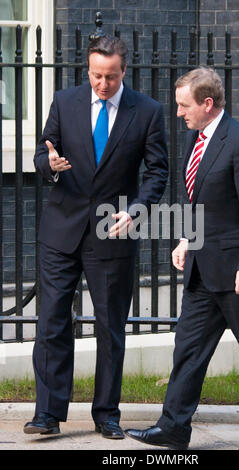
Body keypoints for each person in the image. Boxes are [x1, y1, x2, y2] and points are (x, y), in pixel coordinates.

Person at [125, 67, 239, 451]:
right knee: (188, 347)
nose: (179, 112)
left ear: (207, 103)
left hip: (237, 272)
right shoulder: (196, 139)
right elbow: (199, 201)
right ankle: (173, 426)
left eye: (184, 105)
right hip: (203, 268)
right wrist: (186, 239)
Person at [24, 35, 168, 438]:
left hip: (114, 232)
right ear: (87, 70)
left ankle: (107, 414)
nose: (102, 84)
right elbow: (42, 152)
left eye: (110, 76)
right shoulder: (65, 101)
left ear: (124, 71)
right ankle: (48, 414)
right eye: (95, 75)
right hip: (61, 230)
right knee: (51, 320)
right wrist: (49, 164)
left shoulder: (148, 112)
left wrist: (137, 209)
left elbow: (158, 172)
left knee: (110, 327)